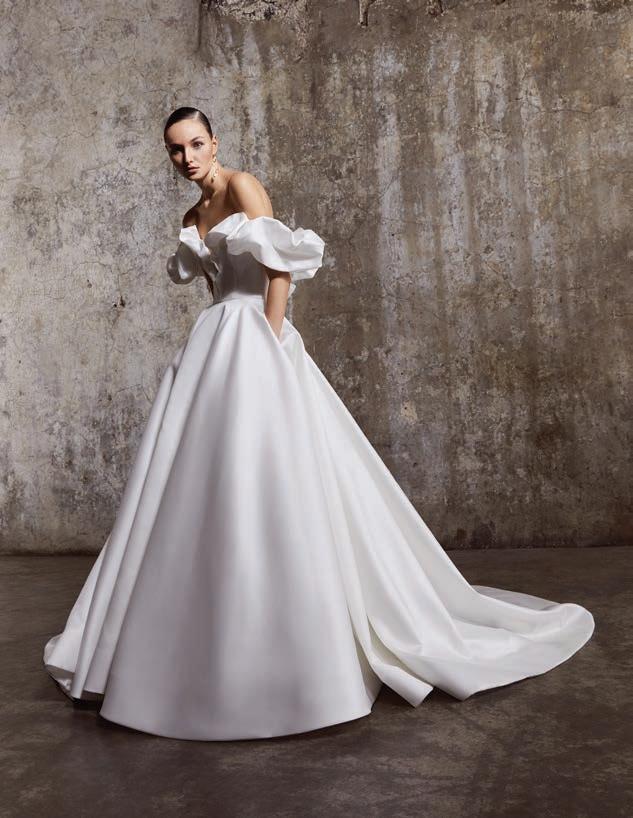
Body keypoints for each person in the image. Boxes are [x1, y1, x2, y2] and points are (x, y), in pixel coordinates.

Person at [43, 107, 595, 741]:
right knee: (198, 480)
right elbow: (216, 290)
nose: (187, 157)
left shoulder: (243, 185)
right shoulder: (193, 217)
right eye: (175, 149)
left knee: (273, 472)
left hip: (258, 338)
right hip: (213, 345)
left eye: (195, 143)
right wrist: (224, 339)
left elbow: (278, 270)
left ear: (215, 142)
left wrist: (271, 341)